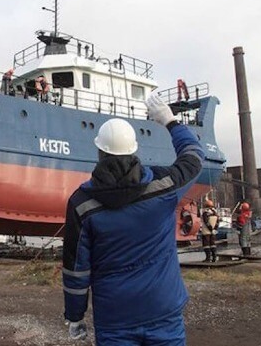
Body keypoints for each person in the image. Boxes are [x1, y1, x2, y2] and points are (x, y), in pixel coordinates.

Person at [62, 93, 203, 345]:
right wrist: (171, 121)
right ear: (134, 148)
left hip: (115, 317)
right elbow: (194, 156)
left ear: (99, 151)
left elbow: (76, 269)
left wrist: (75, 316)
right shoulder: (165, 186)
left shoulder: (82, 204)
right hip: (164, 308)